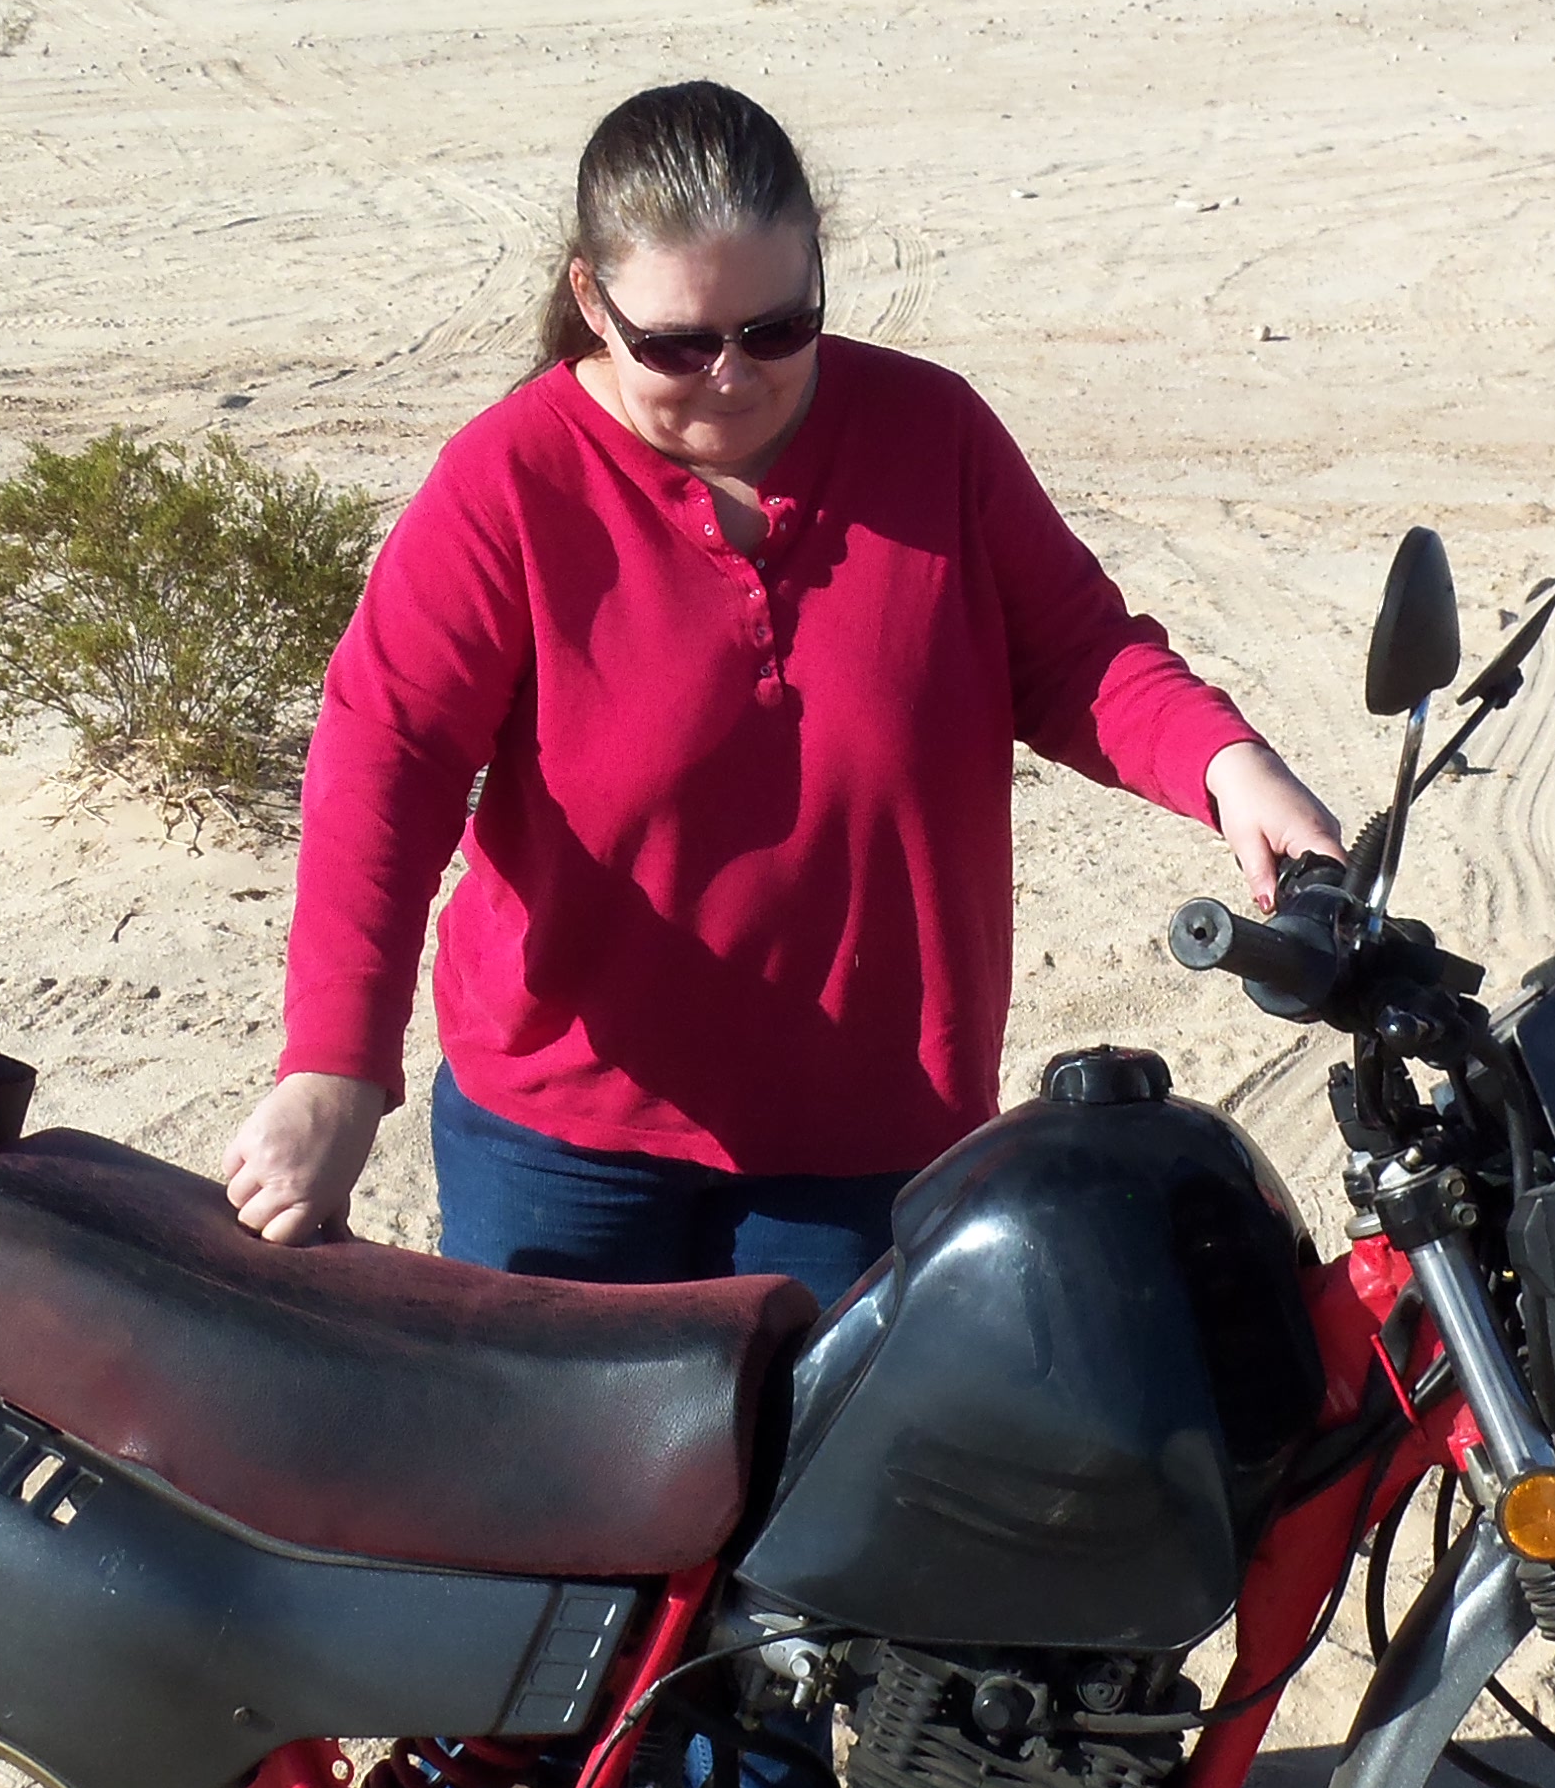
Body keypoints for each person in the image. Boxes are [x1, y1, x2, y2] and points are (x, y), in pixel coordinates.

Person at [221, 80, 1342, 1301]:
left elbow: (1077, 654)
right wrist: (334, 1065)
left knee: (838, 1485)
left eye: (774, 328)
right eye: (676, 344)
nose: (729, 378)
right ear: (592, 301)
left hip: (872, 1138)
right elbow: (386, 759)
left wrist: (1229, 766)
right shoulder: (509, 481)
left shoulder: (932, 433)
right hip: (563, 1145)